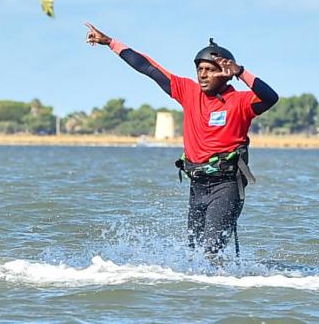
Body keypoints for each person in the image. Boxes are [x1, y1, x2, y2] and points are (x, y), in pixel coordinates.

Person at [84, 23, 279, 255]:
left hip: (226, 187)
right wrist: (111, 43)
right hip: (197, 186)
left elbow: (270, 97)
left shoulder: (241, 102)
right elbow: (148, 67)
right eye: (200, 69)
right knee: (194, 252)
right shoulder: (188, 91)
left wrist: (241, 72)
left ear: (225, 73)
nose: (203, 75)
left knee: (209, 251)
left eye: (210, 69)